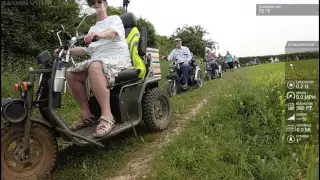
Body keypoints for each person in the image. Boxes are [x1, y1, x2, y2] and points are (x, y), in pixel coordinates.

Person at [53, 0, 131, 138]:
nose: (96, 3)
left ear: (105, 4)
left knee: (94, 66)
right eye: (92, 2)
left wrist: (99, 35)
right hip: (98, 59)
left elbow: (112, 34)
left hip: (117, 58)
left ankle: (107, 116)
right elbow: (86, 50)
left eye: (99, 1)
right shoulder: (92, 29)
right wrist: (65, 51)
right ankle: (87, 115)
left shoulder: (114, 19)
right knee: (72, 73)